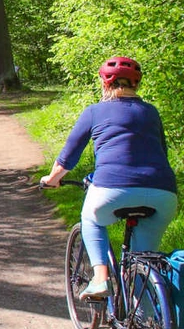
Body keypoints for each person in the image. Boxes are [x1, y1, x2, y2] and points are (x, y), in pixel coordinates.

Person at [40, 56, 178, 299]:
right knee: (143, 262)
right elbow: (160, 154)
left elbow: (67, 158)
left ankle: (100, 278)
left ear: (104, 84)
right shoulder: (151, 112)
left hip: (112, 190)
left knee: (90, 218)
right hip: (163, 193)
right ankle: (146, 328)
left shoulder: (95, 111)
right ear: (137, 84)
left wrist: (51, 179)